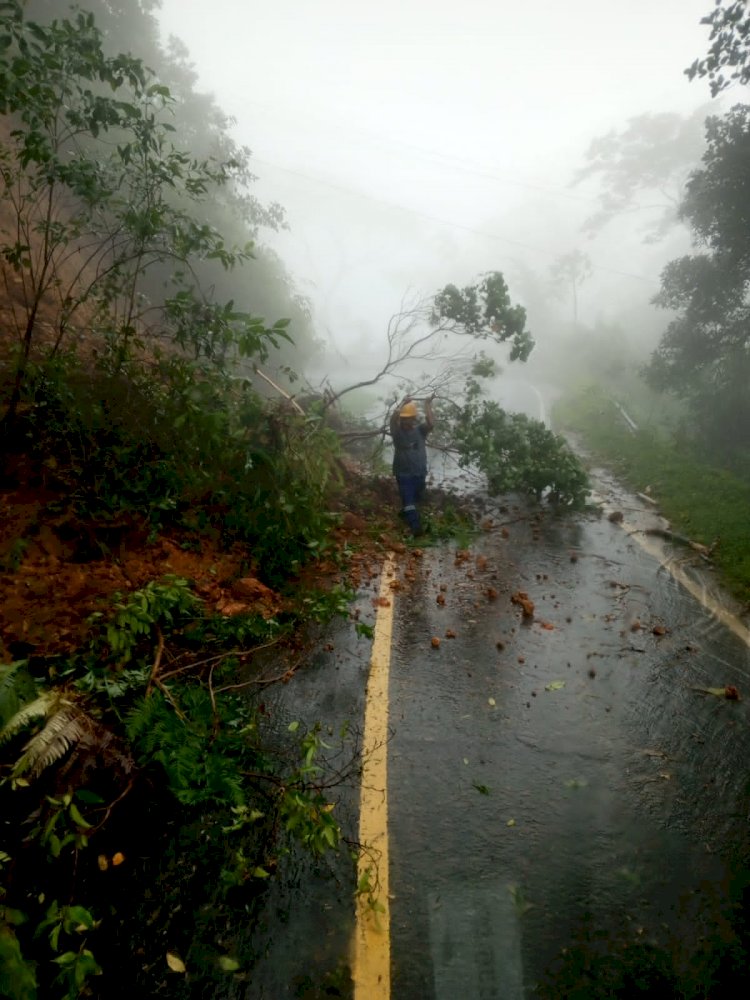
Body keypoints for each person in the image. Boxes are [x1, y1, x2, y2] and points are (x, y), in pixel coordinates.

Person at [389, 394, 435, 535]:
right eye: (402, 418)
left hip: (419, 471)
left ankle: (405, 514)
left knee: (415, 499)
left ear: (413, 419)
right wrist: (403, 402)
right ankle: (416, 529)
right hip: (403, 473)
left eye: (406, 418)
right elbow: (393, 418)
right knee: (408, 500)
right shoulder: (397, 432)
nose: (403, 421)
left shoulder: (420, 431)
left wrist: (427, 405)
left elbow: (431, 424)